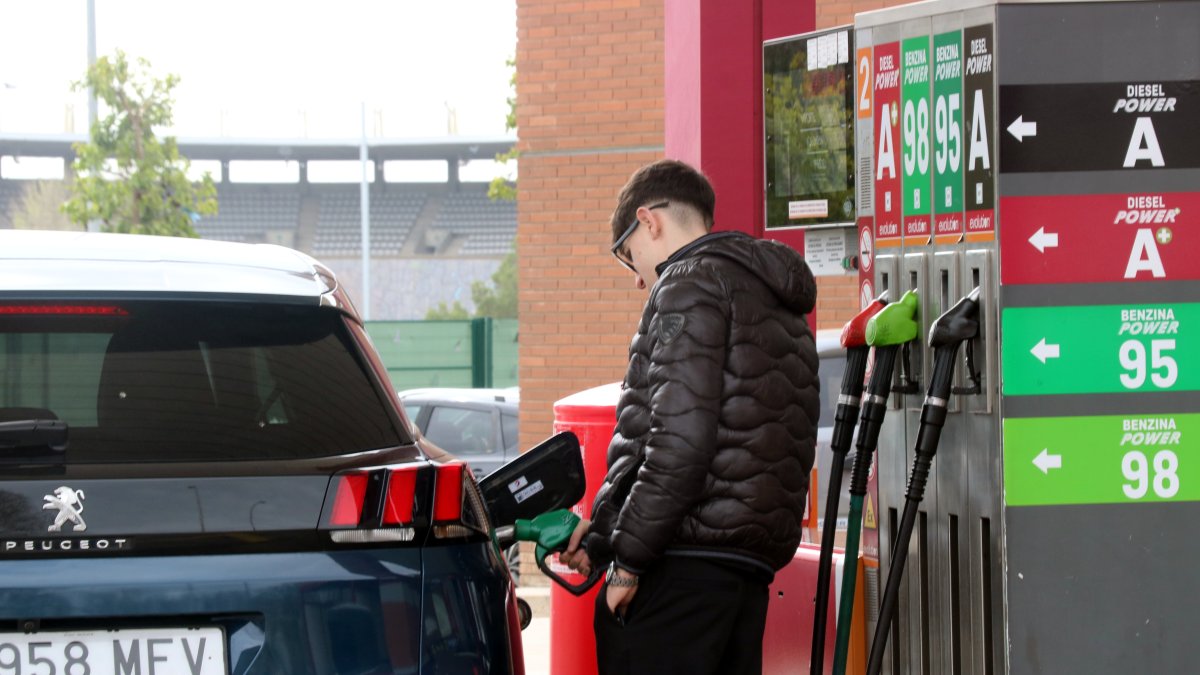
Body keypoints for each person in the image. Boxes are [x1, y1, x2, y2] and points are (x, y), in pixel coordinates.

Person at [560, 159, 820, 674]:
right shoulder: (776, 302)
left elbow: (679, 440)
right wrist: (602, 538)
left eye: (630, 257)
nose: (639, 280)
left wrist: (628, 563)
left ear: (649, 222)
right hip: (745, 571)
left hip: (680, 568)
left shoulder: (687, 283)